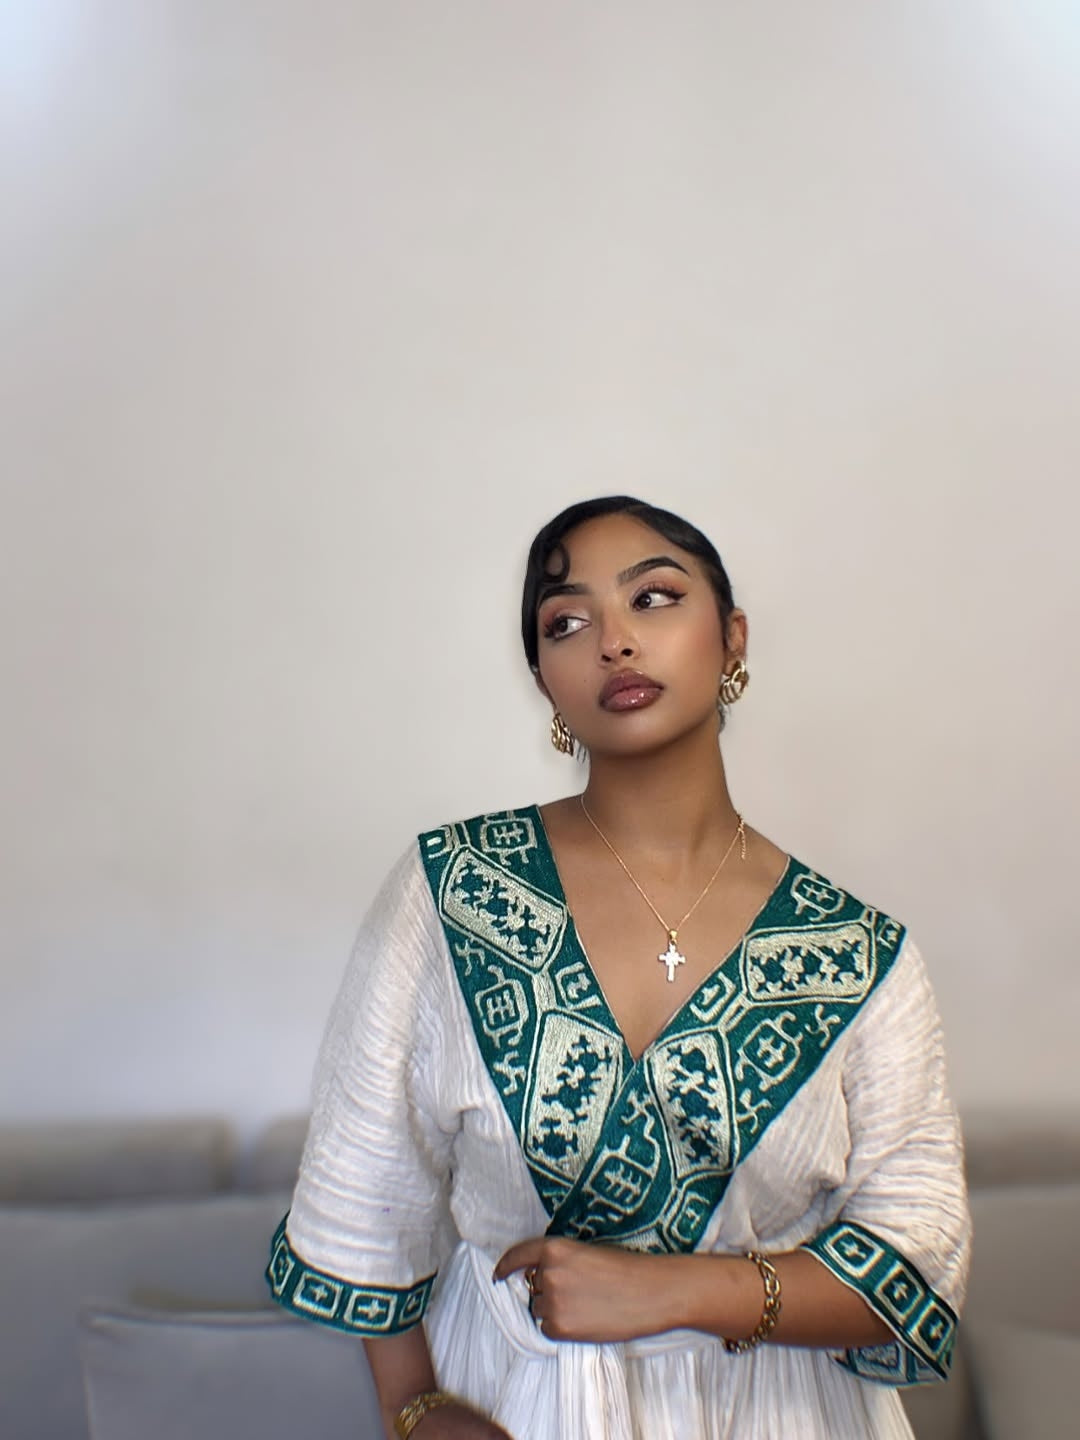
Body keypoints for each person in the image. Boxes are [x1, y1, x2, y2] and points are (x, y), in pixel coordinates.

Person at [267, 497, 971, 1439]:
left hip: (779, 1414)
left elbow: (915, 1263)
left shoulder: (860, 954)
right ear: (543, 680)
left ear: (733, 638)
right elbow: (366, 1184)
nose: (614, 642)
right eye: (567, 622)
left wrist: (669, 1291)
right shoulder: (451, 893)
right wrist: (414, 1407)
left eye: (654, 598)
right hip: (515, 1404)